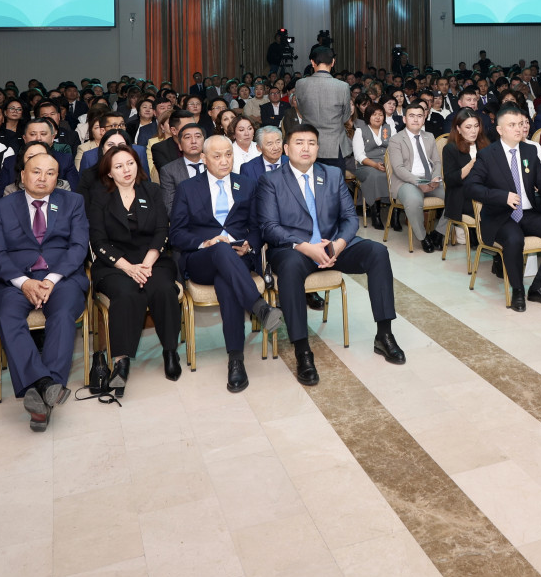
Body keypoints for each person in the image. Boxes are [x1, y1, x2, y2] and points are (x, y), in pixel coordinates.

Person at [253, 124, 405, 384]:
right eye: (299, 143)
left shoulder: (332, 174)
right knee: (290, 269)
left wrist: (339, 243)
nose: (306, 148)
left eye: (311, 143)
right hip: (295, 249)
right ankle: (302, 349)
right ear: (286, 149)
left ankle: (384, 334)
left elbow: (350, 218)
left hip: (332, 245)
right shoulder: (271, 181)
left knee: (378, 252)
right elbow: (269, 227)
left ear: (318, 148)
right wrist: (304, 246)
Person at [0, 152, 90, 429]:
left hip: (61, 277)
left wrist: (52, 279)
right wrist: (24, 282)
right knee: (7, 315)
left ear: (58, 178)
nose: (43, 178)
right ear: (22, 175)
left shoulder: (73, 202)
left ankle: (40, 396)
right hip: (16, 280)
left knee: (63, 314)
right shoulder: (1, 208)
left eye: (50, 173)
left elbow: (79, 247)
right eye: (36, 171)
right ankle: (46, 384)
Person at [173, 135, 283, 393]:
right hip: (202, 258)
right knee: (221, 249)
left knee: (227, 284)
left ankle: (236, 360)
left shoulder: (246, 184)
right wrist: (205, 243)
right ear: (204, 158)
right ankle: (259, 306)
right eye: (217, 156)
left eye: (228, 155)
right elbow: (176, 233)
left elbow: (257, 227)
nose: (224, 161)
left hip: (238, 257)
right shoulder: (188, 188)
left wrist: (249, 246)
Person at [86, 144, 180, 392]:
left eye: (130, 163)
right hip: (114, 264)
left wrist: (146, 265)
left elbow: (162, 230)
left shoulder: (152, 190)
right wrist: (129, 268)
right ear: (109, 172)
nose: (126, 170)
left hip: (152, 259)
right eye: (118, 166)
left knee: (163, 289)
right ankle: (121, 361)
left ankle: (170, 351)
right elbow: (98, 241)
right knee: (127, 293)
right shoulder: (99, 197)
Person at [465, 107, 541, 311]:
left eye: (521, 124)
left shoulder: (529, 151)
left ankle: (538, 287)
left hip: (528, 212)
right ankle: (517, 289)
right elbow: (471, 187)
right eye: (512, 125)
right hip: (500, 215)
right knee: (514, 239)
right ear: (500, 130)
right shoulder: (487, 154)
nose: (519, 128)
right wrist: (502, 196)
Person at [387, 104, 445, 251]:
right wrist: (419, 182)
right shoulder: (396, 139)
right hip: (407, 181)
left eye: (420, 116)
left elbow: (437, 162)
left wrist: (436, 177)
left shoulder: (429, 136)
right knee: (413, 201)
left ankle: (438, 233)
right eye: (411, 116)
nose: (416, 119)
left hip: (430, 180)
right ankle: (423, 237)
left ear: (424, 119)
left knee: (456, 195)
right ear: (404, 119)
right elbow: (398, 169)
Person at [291, 45, 354, 171]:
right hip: (334, 145)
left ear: (312, 62)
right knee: (334, 181)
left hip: (308, 143)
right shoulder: (342, 86)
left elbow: (301, 111)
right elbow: (346, 116)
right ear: (333, 62)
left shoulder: (300, 84)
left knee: (309, 180)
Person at [440, 109, 486, 246]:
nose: (473, 131)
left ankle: (491, 241)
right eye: (468, 127)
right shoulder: (451, 149)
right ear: (459, 129)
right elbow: (450, 180)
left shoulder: (484, 145)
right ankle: (484, 239)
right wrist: (471, 164)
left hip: (483, 192)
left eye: (476, 126)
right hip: (461, 196)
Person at [352, 104, 393, 229]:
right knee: (376, 176)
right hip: (366, 165)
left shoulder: (389, 128)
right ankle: (376, 215)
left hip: (387, 163)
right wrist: (375, 165)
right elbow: (359, 155)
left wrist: (389, 165)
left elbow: (395, 149)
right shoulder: (360, 131)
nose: (378, 117)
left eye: (380, 114)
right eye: (374, 114)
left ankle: (395, 214)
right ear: (368, 116)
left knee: (398, 175)